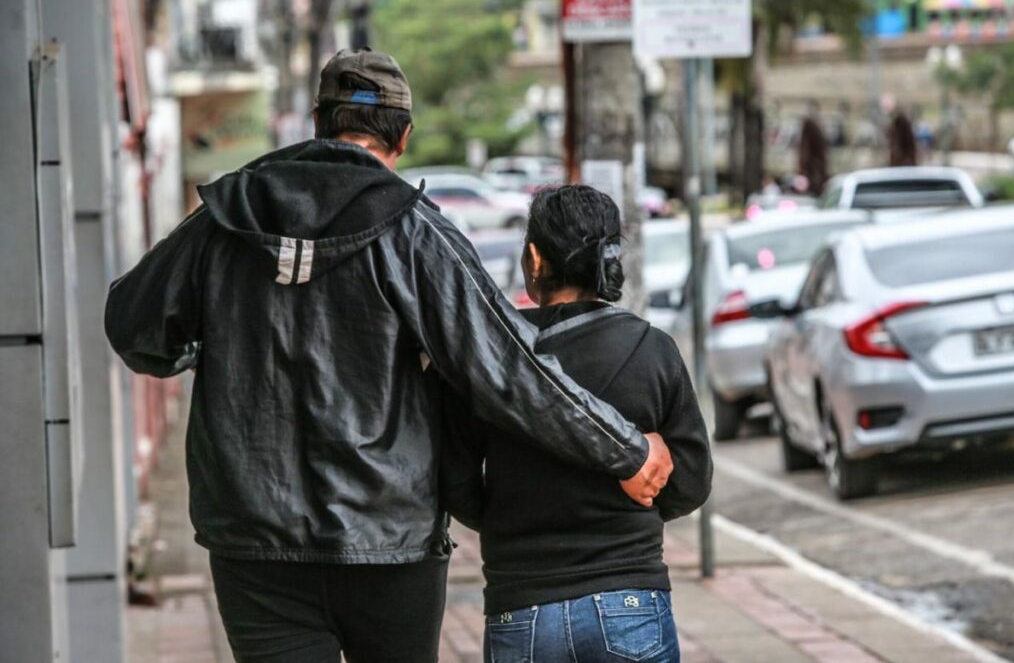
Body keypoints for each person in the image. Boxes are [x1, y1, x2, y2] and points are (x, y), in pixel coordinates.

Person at [104, 48, 673, 663]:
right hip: (390, 543)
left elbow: (133, 328)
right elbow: (510, 367)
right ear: (403, 137)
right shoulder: (415, 234)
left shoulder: (224, 219)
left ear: (318, 124)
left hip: (252, 541)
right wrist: (626, 449)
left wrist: (211, 346)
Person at [442, 185, 713, 663]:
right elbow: (691, 482)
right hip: (630, 600)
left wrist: (514, 517)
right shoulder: (652, 349)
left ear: (534, 259)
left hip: (520, 606)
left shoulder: (496, 358)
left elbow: (457, 484)